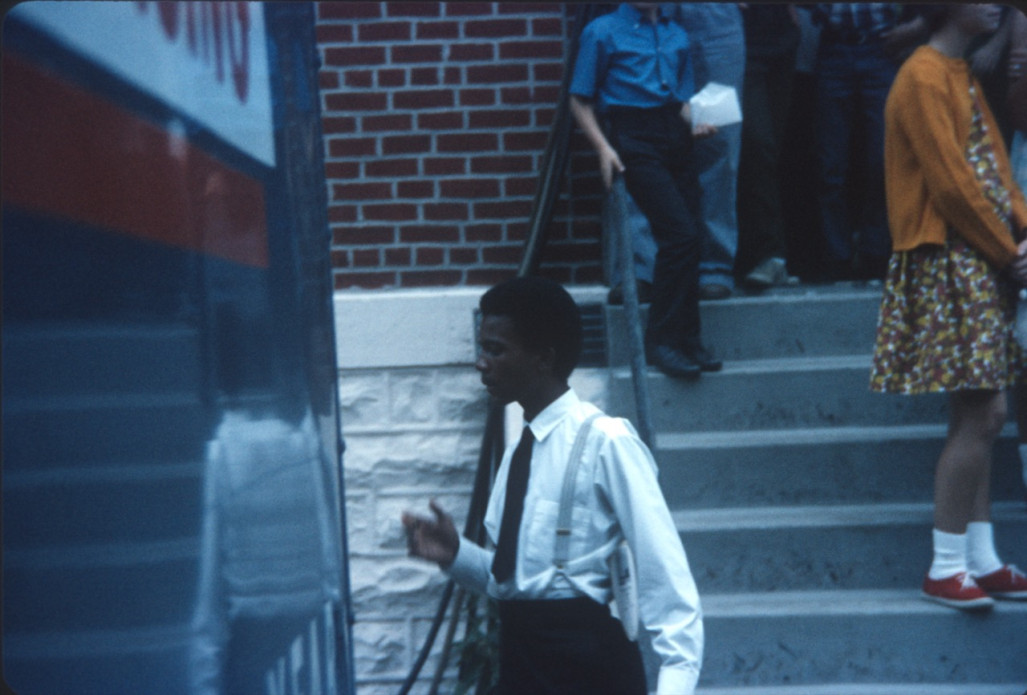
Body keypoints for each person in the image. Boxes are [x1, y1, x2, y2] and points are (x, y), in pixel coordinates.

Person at [402, 277, 704, 695]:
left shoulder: (605, 441)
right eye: (481, 348)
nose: (480, 363)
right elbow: (522, 581)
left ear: (542, 358)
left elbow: (666, 581)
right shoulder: (518, 453)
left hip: (589, 668)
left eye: (495, 349)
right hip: (523, 664)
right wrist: (456, 555)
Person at [869, 3, 1027, 609]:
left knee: (976, 414)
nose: (995, 3)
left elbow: (999, 172)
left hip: (980, 258)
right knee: (985, 413)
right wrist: (1009, 251)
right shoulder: (923, 74)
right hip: (947, 259)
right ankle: (945, 565)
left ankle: (977, 559)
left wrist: (1021, 233)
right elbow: (951, 182)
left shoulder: (958, 71)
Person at [569, 2, 721, 380]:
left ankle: (688, 338)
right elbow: (579, 98)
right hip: (633, 137)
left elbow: (682, 101)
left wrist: (699, 122)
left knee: (692, 237)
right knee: (678, 235)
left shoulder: (677, 33)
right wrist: (604, 147)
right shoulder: (603, 31)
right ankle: (661, 340)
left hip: (673, 134)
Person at [810, 3, 904, 282]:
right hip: (833, 46)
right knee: (829, 162)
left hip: (882, 46)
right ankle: (835, 254)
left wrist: (919, 25)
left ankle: (875, 251)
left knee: (882, 159)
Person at [670, 2, 746, 300]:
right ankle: (639, 268)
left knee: (719, 141)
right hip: (646, 12)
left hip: (715, 16)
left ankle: (714, 267)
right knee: (640, 132)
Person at [736, 3, 802, 291]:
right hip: (736, 38)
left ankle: (775, 258)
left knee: (772, 152)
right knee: (756, 146)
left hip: (779, 38)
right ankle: (760, 255)